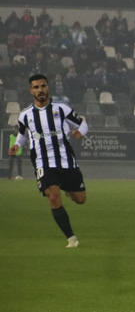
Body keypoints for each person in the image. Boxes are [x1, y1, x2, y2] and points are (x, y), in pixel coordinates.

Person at [9, 74, 89, 248]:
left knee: (81, 199)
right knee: (53, 195)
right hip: (42, 162)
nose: (40, 90)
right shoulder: (25, 115)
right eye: (36, 87)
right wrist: (17, 145)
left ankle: (66, 187)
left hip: (66, 161)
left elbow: (82, 123)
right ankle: (71, 239)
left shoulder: (62, 109)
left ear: (48, 88)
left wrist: (81, 131)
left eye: (43, 86)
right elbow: (23, 135)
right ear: (31, 90)